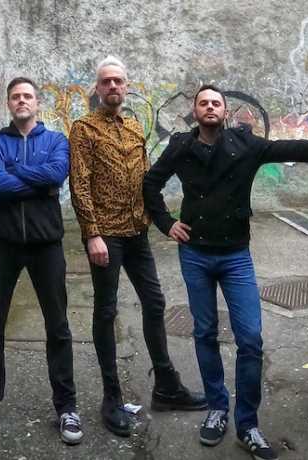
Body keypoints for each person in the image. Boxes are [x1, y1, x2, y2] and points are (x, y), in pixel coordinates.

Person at [143, 84, 308, 459]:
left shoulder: (245, 144)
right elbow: (151, 183)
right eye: (203, 103)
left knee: (250, 339)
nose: (210, 107)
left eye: (216, 103)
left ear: (225, 112)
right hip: (195, 255)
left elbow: (291, 147)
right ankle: (217, 409)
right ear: (195, 112)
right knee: (205, 332)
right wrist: (166, 223)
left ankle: (247, 424)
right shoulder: (180, 146)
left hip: (235, 257)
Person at [68, 56, 207, 438]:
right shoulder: (83, 129)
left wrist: (160, 220)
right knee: (106, 310)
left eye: (119, 81)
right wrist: (91, 234)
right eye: (106, 81)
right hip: (106, 236)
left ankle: (166, 386)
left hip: (136, 232)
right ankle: (111, 397)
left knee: (155, 302)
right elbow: (79, 183)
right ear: (98, 88)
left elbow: (146, 181)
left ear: (126, 86)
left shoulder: (133, 127)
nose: (113, 86)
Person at [0, 77, 83, 445]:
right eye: (16, 96)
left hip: (46, 245)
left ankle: (67, 406)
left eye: (27, 96)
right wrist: (39, 184)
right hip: (4, 244)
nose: (22, 101)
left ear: (37, 103)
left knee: (57, 325)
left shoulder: (56, 141)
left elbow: (57, 174)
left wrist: (17, 171)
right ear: (9, 103)